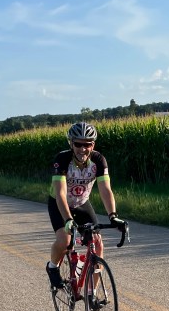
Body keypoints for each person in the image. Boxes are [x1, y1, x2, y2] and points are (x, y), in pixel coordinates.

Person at [46, 121, 124, 294]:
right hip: (60, 203)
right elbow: (60, 193)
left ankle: (91, 293)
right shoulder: (62, 159)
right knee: (65, 241)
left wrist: (113, 216)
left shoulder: (98, 160)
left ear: (93, 145)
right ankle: (52, 267)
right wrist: (68, 219)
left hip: (81, 203)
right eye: (78, 144)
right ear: (71, 144)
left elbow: (105, 190)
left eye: (87, 144)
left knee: (97, 243)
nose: (83, 149)